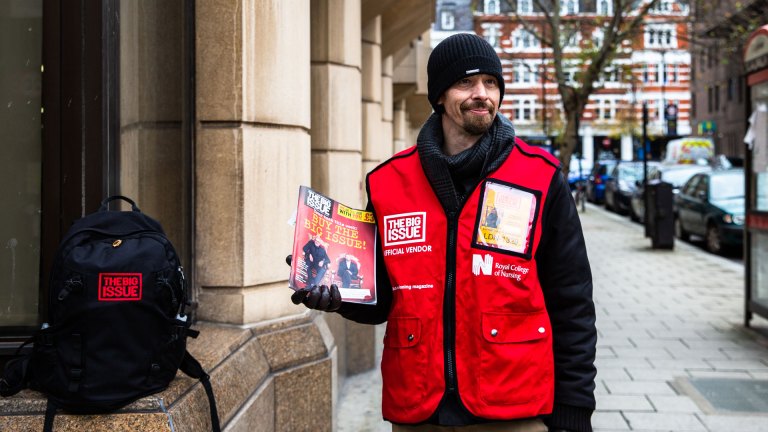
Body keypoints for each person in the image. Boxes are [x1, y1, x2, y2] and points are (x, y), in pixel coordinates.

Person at [290, 33, 596, 432]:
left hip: (514, 408)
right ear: (438, 97)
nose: (481, 94)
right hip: (418, 409)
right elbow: (381, 299)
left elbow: (572, 302)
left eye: (490, 82)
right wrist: (336, 296)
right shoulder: (388, 182)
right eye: (465, 83)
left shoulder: (540, 177)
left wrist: (574, 409)